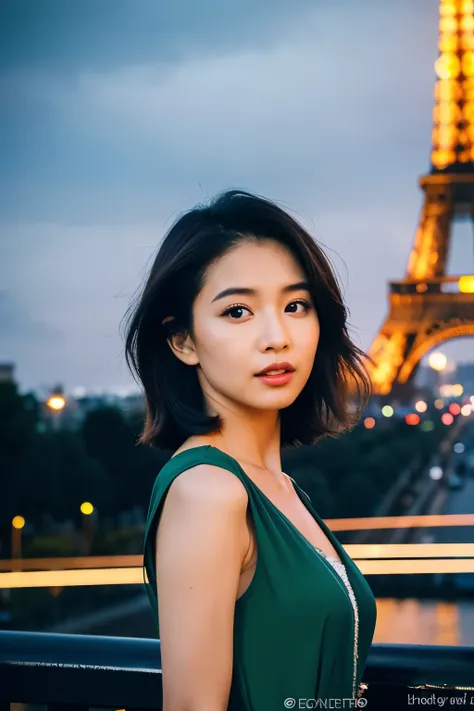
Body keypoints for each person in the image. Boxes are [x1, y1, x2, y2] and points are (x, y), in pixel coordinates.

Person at [123, 189, 377, 710]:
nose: (276, 336)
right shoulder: (208, 492)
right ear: (183, 341)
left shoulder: (279, 487)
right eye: (237, 311)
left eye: (296, 305)